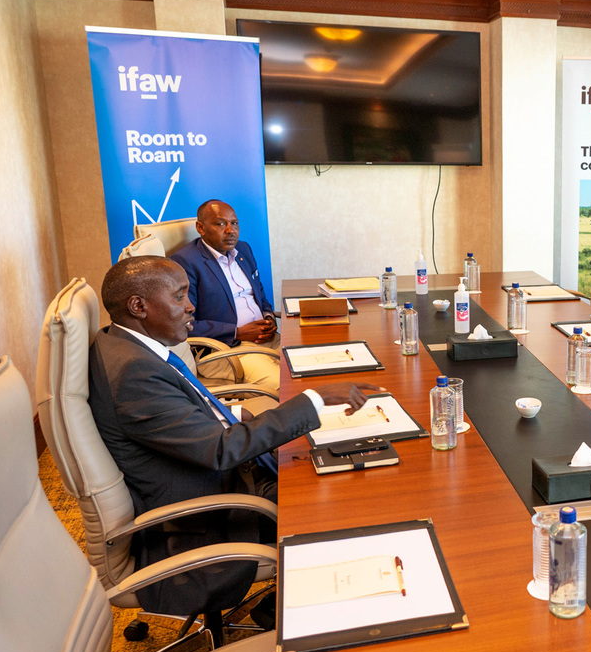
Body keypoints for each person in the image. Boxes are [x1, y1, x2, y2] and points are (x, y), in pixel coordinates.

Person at [89, 256, 380, 616]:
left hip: (214, 479)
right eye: (179, 297)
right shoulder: (134, 373)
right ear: (138, 306)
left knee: (334, 464)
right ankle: (283, 612)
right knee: (342, 500)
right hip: (207, 515)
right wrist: (315, 400)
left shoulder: (124, 344)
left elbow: (190, 416)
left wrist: (254, 413)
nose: (191, 305)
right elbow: (220, 450)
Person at [171, 199, 279, 388]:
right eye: (221, 224)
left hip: (266, 338)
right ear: (201, 228)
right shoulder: (185, 262)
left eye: (234, 223)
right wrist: (237, 332)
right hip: (227, 349)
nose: (231, 230)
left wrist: (268, 317)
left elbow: (259, 294)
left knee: (311, 364)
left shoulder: (243, 249)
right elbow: (185, 323)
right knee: (281, 383)